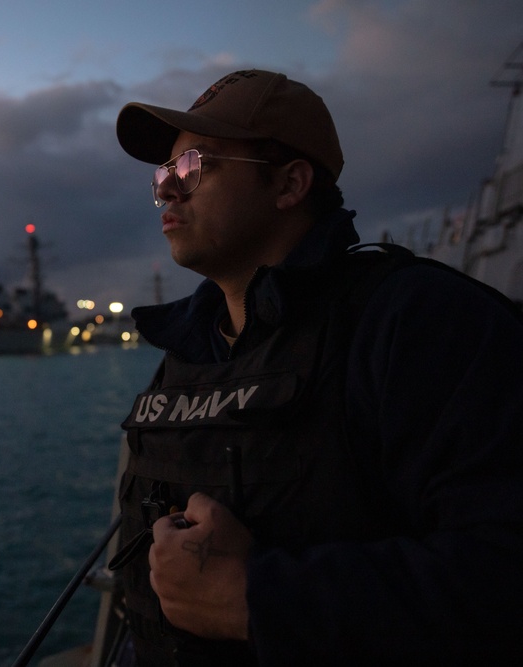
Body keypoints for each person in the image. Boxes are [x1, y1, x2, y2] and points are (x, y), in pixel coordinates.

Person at [108, 69, 523, 665]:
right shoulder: (188, 353)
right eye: (165, 174)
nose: (170, 190)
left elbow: (503, 569)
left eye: (195, 165)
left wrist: (258, 599)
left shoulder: (418, 321)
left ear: (290, 184)